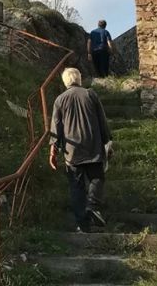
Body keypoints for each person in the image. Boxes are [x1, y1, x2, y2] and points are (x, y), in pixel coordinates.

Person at [49, 67, 113, 233]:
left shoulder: (60, 100)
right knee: (97, 178)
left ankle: (83, 225)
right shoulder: (90, 94)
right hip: (93, 145)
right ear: (79, 78)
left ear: (65, 82)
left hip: (72, 151)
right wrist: (108, 141)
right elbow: (102, 119)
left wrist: (53, 150)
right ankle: (92, 205)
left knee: (76, 187)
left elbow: (56, 127)